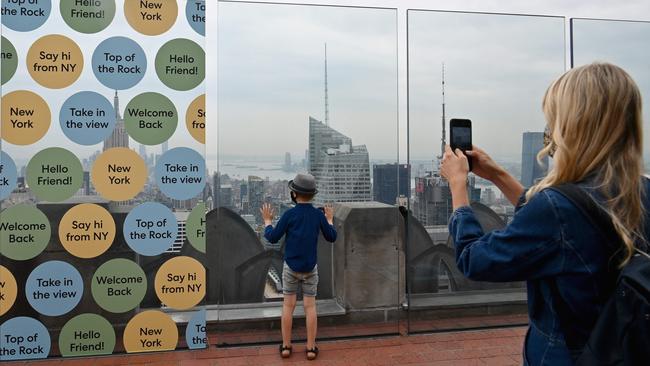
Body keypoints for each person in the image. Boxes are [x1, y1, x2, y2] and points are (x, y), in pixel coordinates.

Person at [440, 63, 649, 366]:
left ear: (573, 125)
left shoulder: (556, 209)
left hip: (567, 352)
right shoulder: (640, 189)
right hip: (625, 346)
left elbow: (474, 260)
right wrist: (498, 174)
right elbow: (565, 224)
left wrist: (458, 187)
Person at [261, 173, 336, 361]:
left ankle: (286, 346)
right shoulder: (318, 216)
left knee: (288, 305)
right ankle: (311, 348)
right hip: (310, 268)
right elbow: (331, 236)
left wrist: (267, 221)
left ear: (294, 194)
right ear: (312, 194)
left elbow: (272, 237)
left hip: (291, 268)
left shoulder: (289, 214)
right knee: (310, 307)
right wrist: (329, 219)